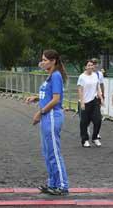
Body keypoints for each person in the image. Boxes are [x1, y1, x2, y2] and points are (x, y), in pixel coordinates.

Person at [25, 49, 69, 196]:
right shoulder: (50, 76)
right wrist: (36, 98)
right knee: (47, 152)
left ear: (53, 61)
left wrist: (40, 112)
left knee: (54, 152)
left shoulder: (56, 76)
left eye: (44, 60)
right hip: (47, 117)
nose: (41, 62)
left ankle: (62, 185)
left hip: (51, 116)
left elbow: (56, 99)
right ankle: (53, 183)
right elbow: (49, 94)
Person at [77, 59, 103, 148]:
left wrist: (101, 98)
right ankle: (85, 140)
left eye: (92, 65)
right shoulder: (82, 77)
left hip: (94, 101)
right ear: (85, 67)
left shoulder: (95, 75)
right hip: (85, 102)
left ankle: (95, 137)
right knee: (84, 122)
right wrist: (82, 102)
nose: (91, 67)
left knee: (98, 120)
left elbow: (98, 87)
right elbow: (80, 90)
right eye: (88, 65)